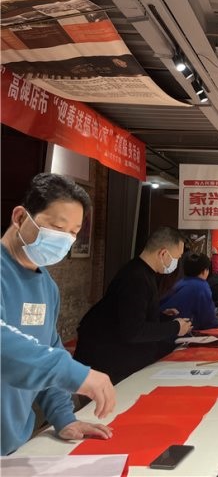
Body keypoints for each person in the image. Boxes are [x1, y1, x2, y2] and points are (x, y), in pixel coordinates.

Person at [1, 173, 116, 455]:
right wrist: (73, 373)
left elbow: (48, 348)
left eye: (73, 233)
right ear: (20, 217)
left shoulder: (47, 287)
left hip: (13, 447)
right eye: (56, 227)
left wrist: (64, 417)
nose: (65, 240)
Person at [74, 227, 193, 384]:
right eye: (176, 258)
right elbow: (133, 330)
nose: (176, 264)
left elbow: (130, 311)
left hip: (116, 360)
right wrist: (175, 328)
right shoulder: (136, 278)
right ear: (163, 253)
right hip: (108, 365)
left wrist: (160, 316)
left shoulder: (141, 271)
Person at [159, 253, 218, 330]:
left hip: (161, 326)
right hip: (178, 331)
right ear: (205, 271)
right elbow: (208, 319)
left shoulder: (179, 282)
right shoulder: (201, 286)